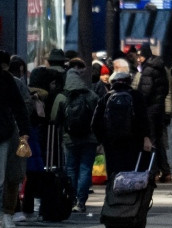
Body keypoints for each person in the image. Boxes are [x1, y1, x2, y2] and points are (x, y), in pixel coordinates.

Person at [51, 59, 101, 213]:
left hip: (70, 139)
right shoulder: (91, 95)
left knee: (71, 169)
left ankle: (71, 199)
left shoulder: (62, 97)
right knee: (86, 169)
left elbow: (54, 118)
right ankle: (81, 202)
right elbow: (98, 116)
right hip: (89, 139)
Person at [0, 45, 30, 228]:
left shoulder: (5, 79)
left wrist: (24, 131)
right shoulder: (7, 79)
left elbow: (18, 105)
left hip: (1, 134)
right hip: (3, 131)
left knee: (0, 179)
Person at [92, 71, 151, 184]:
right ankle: (131, 198)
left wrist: (102, 139)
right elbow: (143, 118)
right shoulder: (137, 96)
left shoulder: (106, 97)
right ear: (129, 81)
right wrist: (146, 136)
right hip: (133, 141)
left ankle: (113, 197)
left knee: (114, 171)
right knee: (131, 170)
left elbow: (95, 123)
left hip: (111, 142)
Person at [135, 46, 172, 183]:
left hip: (149, 110)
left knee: (151, 140)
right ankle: (166, 171)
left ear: (144, 56)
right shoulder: (161, 68)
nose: (139, 59)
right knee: (159, 140)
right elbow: (166, 89)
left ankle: (154, 171)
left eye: (140, 56)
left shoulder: (148, 69)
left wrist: (140, 105)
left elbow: (145, 91)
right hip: (159, 108)